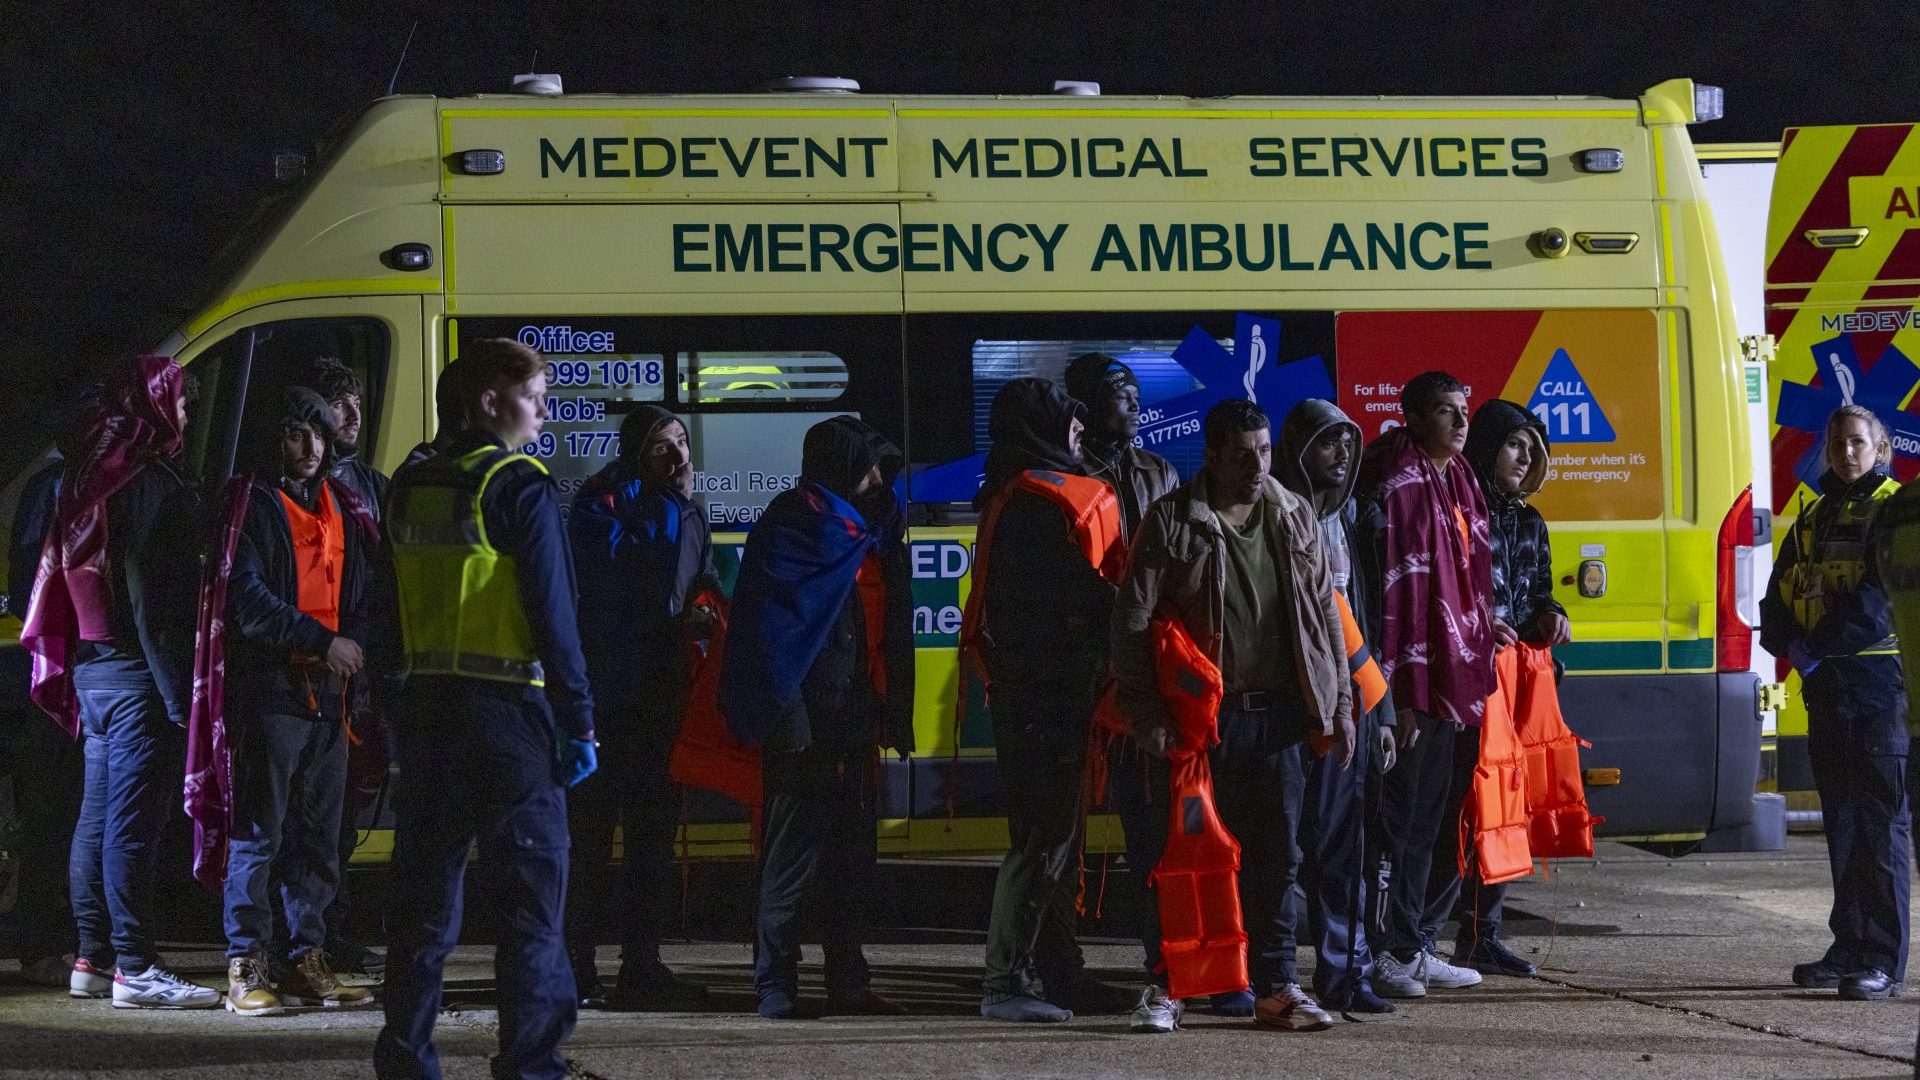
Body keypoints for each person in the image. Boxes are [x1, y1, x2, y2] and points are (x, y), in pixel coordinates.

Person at [373, 338, 596, 1080]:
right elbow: (553, 616)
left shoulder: (407, 483)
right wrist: (580, 718)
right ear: (490, 399)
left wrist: (390, 709)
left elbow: (380, 612)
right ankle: (532, 1066)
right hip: (510, 722)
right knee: (532, 905)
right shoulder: (518, 485)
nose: (545, 412)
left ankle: (406, 1059)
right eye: (535, 397)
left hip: (430, 716)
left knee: (423, 907)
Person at [1112, 398, 1353, 1033]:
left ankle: (1277, 988)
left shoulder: (1293, 513)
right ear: (1211, 455)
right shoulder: (1172, 522)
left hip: (1276, 722)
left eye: (1266, 451)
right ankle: (1168, 986)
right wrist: (1146, 715)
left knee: (1278, 858)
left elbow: (1326, 611)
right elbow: (1132, 624)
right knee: (1183, 858)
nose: (1257, 465)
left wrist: (1341, 704)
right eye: (1243, 454)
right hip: (1199, 728)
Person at [20, 354, 216, 1009]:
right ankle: (137, 966)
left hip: (93, 673)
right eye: (181, 403)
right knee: (132, 829)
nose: (186, 415)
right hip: (138, 680)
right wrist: (177, 696)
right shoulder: (149, 482)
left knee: (95, 822)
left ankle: (91, 960)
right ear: (155, 406)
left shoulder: (87, 474)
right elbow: (151, 602)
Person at [720, 415, 915, 1020]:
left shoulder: (864, 529)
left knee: (852, 861)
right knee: (790, 861)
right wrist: (790, 724)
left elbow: (889, 629)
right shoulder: (792, 526)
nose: (879, 477)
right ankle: (775, 985)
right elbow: (767, 637)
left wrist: (894, 714)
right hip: (804, 726)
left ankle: (847, 981)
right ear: (842, 468)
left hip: (856, 720)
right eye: (868, 466)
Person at [203, 386, 377, 1015]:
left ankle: (308, 957)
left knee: (319, 837)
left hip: (331, 694)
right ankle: (246, 964)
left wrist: (352, 651)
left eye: (319, 435)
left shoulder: (344, 505)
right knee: (260, 834)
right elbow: (245, 599)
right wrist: (322, 640)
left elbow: (360, 591)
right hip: (273, 692)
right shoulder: (249, 503)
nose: (308, 448)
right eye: (294, 434)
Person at [970, 378, 1135, 1023]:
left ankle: (1057, 971)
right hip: (1041, 699)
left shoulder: (1017, 497)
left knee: (1054, 838)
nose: (1079, 431)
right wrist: (1141, 614)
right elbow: (1074, 598)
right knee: (1041, 838)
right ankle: (1004, 983)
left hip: (1043, 694)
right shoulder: (1035, 509)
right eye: (1068, 421)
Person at [564, 405, 718, 1010]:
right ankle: (578, 967)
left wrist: (704, 609)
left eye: (682, 441)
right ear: (637, 451)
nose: (679, 455)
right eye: (663, 445)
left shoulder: (685, 506)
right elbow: (622, 578)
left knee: (653, 837)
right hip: (608, 695)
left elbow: (696, 579)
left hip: (661, 694)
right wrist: (672, 506)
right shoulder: (604, 501)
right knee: (592, 839)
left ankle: (642, 963)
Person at [1358, 371, 1496, 999]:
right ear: (1412, 418)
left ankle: (1414, 945)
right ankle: (1387, 951)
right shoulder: (1399, 481)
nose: (1460, 422)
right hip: (1414, 683)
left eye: (1462, 409)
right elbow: (1398, 594)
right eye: (1445, 411)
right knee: (1399, 824)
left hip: (1455, 677)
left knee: (1435, 819)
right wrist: (1400, 696)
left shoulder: (1459, 476)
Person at [1763, 403, 1907, 1001]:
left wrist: (1814, 643)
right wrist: (1787, 641)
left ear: (1880, 447)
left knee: (1879, 826)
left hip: (1879, 692)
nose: (1846, 452)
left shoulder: (1894, 511)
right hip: (1827, 690)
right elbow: (1775, 596)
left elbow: (1879, 601)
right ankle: (1848, 945)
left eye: (1858, 443)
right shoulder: (1813, 516)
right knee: (1843, 826)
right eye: (1837, 442)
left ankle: (1880, 958)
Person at [1063, 352, 1189, 1026]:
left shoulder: (1160, 471)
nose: (1134, 402)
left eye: (1137, 391)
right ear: (1085, 402)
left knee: (1159, 830)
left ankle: (1164, 962)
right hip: (1090, 675)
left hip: (1152, 667)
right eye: (1118, 391)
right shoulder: (1069, 472)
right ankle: (1057, 967)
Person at [1427, 398, 1571, 979]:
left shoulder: (1529, 521)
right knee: (1455, 812)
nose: (1525, 457)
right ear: (1488, 446)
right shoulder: (1459, 507)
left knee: (1506, 807)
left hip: (1515, 686)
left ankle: (1482, 934)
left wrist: (1551, 615)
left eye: (1532, 448)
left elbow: (1538, 592)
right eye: (1515, 444)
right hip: (1464, 684)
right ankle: (1419, 937)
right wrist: (1481, 627)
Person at [1276, 398, 1399, 1018]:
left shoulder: (1348, 519)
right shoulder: (1276, 516)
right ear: (1297, 449)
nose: (1343, 453)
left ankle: (1344, 972)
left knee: (1343, 844)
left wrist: (1384, 714)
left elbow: (1362, 622)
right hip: (1288, 705)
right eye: (1328, 442)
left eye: (1348, 442)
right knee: (1281, 847)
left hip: (1349, 699)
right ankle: (1270, 977)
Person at [299, 355, 391, 977]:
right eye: (340, 404)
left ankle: (335, 926)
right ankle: (307, 935)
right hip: (319, 666)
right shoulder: (309, 486)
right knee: (312, 810)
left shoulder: (374, 484)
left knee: (349, 809)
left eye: (357, 399)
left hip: (366, 669)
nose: (354, 414)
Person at [2, 456, 78, 986]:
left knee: (67, 808)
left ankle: (58, 938)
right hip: (59, 664)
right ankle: (40, 941)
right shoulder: (56, 482)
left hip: (75, 662)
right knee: (54, 805)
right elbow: (33, 573)